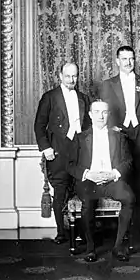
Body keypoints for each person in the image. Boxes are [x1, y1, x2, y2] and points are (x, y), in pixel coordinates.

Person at [66, 100, 135, 263]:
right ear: (90, 115)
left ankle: (118, 246)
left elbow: (128, 162)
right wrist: (88, 174)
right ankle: (91, 248)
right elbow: (70, 165)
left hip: (111, 180)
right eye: (96, 112)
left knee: (129, 198)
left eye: (104, 112)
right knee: (88, 203)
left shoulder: (119, 137)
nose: (100, 116)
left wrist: (113, 174)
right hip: (89, 180)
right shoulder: (80, 137)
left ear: (109, 115)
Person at [100, 46, 140, 240]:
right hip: (119, 134)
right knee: (123, 177)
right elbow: (103, 111)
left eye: (131, 58)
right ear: (117, 61)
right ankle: (124, 231)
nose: (128, 62)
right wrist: (112, 129)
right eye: (124, 59)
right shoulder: (108, 84)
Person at [34, 62, 91, 245]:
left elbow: (89, 126)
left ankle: (82, 232)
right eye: (67, 76)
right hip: (57, 152)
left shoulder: (83, 98)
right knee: (60, 192)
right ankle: (61, 232)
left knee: (82, 191)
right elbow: (39, 125)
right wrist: (45, 148)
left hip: (79, 153)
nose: (71, 80)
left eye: (74, 76)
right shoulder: (50, 97)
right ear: (60, 76)